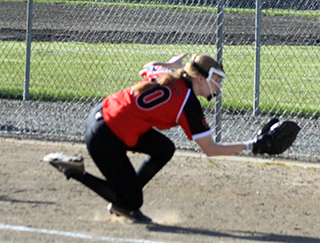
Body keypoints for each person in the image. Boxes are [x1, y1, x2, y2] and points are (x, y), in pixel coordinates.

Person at [43, 53, 254, 223]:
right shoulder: (188, 104)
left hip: (103, 114)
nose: (218, 86)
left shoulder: (170, 75)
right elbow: (210, 149)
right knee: (132, 202)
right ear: (200, 78)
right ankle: (77, 172)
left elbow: (148, 65)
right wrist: (250, 145)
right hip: (106, 136)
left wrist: (170, 65)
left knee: (164, 148)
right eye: (216, 80)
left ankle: (125, 194)